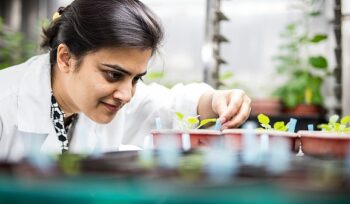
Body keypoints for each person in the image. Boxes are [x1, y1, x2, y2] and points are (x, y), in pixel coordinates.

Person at [0, 0, 251, 162]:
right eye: (113, 75)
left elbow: (173, 105)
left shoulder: (105, 97)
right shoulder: (5, 105)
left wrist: (219, 100)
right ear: (66, 58)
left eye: (136, 79)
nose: (127, 95)